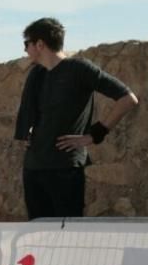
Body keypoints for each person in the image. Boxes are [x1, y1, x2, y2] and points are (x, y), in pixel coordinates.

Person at [14, 17, 140, 219]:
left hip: (65, 168)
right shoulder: (36, 75)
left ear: (40, 44)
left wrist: (94, 135)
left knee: (68, 237)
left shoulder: (79, 69)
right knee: (37, 236)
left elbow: (127, 98)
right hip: (34, 168)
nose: (25, 50)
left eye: (26, 43)